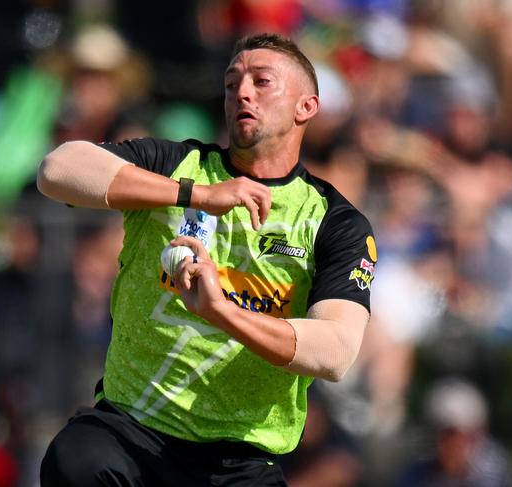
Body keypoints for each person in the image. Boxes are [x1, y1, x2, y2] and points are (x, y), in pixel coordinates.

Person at [37, 33, 376, 487]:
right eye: (233, 82)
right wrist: (197, 194)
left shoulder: (334, 222)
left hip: (240, 456)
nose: (243, 92)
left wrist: (222, 312)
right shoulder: (177, 165)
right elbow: (58, 169)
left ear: (306, 107)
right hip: (132, 428)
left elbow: (334, 352)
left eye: (262, 81)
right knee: (75, 459)